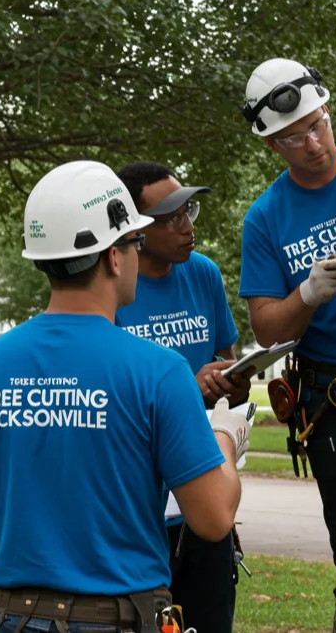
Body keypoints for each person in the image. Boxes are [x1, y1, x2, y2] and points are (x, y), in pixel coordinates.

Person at [0, 160, 252, 633]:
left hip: (14, 618)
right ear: (112, 256)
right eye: (135, 242)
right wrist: (224, 435)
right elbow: (211, 518)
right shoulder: (159, 372)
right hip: (116, 617)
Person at [237, 58, 336, 573]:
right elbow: (268, 328)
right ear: (272, 145)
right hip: (334, 394)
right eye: (294, 138)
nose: (313, 144)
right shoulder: (267, 218)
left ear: (327, 110)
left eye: (317, 125)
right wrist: (307, 294)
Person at [114, 161, 253, 633]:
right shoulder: (111, 294)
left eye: (187, 209)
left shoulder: (204, 275)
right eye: (169, 216)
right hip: (139, 514)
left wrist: (230, 381)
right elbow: (109, 408)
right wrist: (184, 389)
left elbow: (233, 383)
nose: (186, 226)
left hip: (203, 497)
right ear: (133, 227)